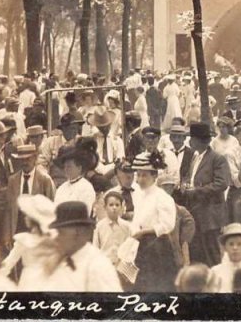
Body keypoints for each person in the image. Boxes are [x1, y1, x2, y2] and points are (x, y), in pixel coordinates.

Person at [176, 122, 231, 266]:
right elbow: (190, 177)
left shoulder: (217, 159)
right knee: (198, 253)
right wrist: (185, 184)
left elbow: (222, 183)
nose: (189, 141)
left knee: (212, 253)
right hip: (196, 212)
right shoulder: (195, 157)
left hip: (210, 214)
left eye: (191, 138)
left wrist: (197, 190)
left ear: (199, 141)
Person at [42, 201, 122, 292]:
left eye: (61, 233)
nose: (56, 238)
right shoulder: (62, 260)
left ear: (78, 233)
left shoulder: (98, 266)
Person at [129, 151, 178, 291]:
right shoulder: (139, 195)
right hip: (141, 245)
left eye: (145, 175)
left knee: (159, 283)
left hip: (157, 246)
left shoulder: (162, 197)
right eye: (138, 175)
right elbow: (138, 218)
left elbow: (167, 224)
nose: (140, 179)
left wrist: (145, 231)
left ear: (155, 176)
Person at [0, 194, 61, 290]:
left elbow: (9, 262)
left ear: (34, 220)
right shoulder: (52, 238)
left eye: (27, 216)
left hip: (30, 280)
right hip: (47, 281)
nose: (25, 218)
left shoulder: (24, 240)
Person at [2, 144, 55, 252]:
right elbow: (8, 210)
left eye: (28, 159)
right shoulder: (13, 180)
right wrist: (7, 235)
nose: (24, 162)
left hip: (37, 230)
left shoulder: (45, 180)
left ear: (35, 158)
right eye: (22, 160)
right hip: (17, 228)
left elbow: (51, 211)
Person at [39, 112, 83, 187]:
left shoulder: (81, 142)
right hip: (55, 181)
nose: (75, 131)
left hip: (77, 181)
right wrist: (47, 180)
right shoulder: (51, 142)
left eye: (76, 128)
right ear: (63, 129)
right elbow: (41, 163)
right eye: (72, 128)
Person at [53, 145, 97, 215]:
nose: (66, 169)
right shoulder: (61, 188)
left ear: (79, 168)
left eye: (69, 166)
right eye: (65, 166)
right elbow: (55, 210)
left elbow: (85, 213)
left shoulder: (86, 187)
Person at [92, 191, 133, 268]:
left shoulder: (126, 226)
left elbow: (130, 247)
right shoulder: (99, 226)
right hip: (104, 265)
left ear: (121, 207)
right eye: (111, 205)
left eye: (117, 205)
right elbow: (95, 247)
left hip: (122, 266)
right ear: (105, 207)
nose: (114, 208)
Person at [210, 223, 241, 293]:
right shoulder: (215, 271)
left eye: (239, 244)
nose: (235, 248)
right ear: (225, 248)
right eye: (231, 244)